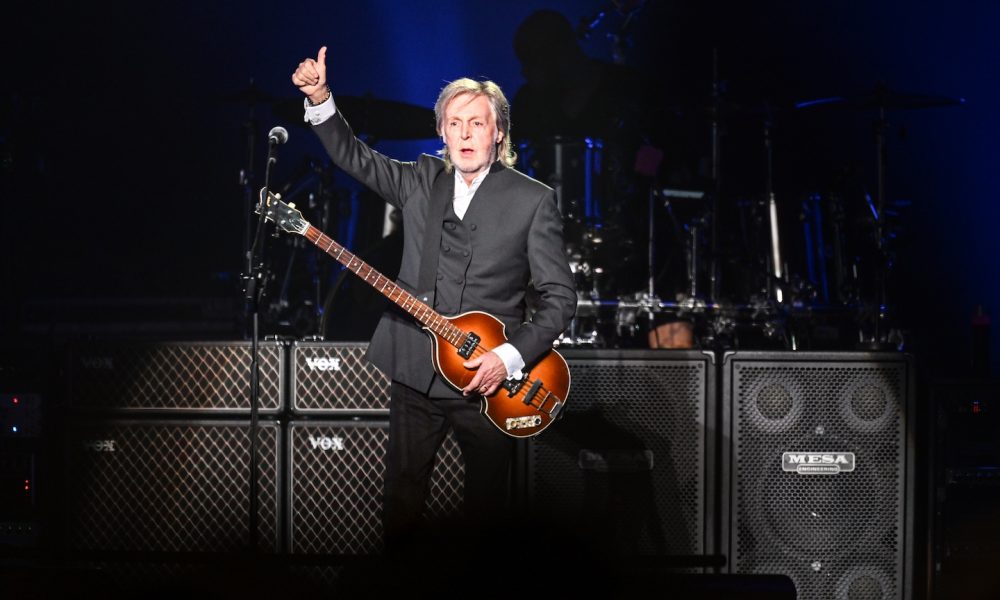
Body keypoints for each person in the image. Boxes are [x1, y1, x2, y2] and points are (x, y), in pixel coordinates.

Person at [291, 47, 576, 544]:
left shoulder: (533, 200)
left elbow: (559, 299)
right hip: (417, 369)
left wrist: (508, 358)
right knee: (402, 499)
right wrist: (320, 98)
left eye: (477, 123)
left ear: (499, 132)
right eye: (454, 123)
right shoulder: (421, 178)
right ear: (441, 132)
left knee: (486, 513)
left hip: (490, 383)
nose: (465, 134)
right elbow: (353, 156)